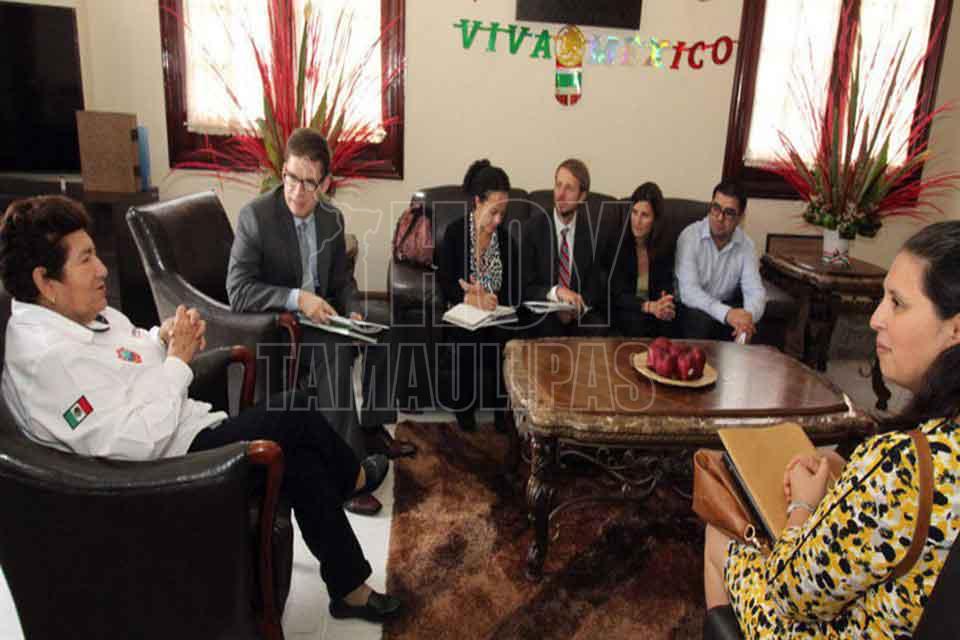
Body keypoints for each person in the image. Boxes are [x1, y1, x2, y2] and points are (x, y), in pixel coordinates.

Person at [0, 195, 402, 623]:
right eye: (86, 260)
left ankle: (350, 588)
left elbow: (126, 354)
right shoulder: (49, 361)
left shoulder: (80, 314)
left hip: (180, 433)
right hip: (159, 478)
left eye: (96, 254)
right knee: (295, 414)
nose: (102, 270)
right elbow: (133, 443)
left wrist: (162, 337)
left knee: (300, 453)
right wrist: (178, 360)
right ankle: (352, 478)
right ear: (45, 281)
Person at [702, 220, 960, 639]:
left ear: (955, 329)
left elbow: (789, 593)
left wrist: (803, 505)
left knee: (721, 531)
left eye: (897, 303)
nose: (875, 319)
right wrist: (851, 480)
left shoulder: (905, 463)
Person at [226, 127, 414, 517]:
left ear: (325, 183)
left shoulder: (331, 218)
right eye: (292, 178)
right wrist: (298, 299)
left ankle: (372, 426)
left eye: (309, 183)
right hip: (282, 326)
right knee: (333, 349)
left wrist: (353, 309)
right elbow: (238, 290)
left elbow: (342, 281)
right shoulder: (256, 217)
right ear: (283, 172)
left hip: (326, 314)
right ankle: (346, 473)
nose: (298, 191)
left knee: (387, 324)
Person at [436, 160, 522, 432]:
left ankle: (502, 414)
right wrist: (469, 298)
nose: (498, 220)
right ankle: (465, 411)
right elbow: (445, 281)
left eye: (503, 213)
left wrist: (496, 300)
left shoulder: (506, 241)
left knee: (505, 336)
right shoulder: (455, 233)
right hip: (464, 313)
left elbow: (515, 289)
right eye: (493, 212)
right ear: (477, 202)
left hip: (495, 315)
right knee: (467, 335)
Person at [522, 158, 610, 336]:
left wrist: (576, 307)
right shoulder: (533, 228)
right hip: (544, 311)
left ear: (582, 196)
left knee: (597, 328)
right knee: (546, 327)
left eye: (569, 188)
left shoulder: (593, 234)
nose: (560, 195)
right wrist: (557, 293)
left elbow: (595, 288)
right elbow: (525, 286)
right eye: (558, 185)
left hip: (577, 313)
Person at [674, 180, 766, 342]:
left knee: (754, 326)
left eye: (729, 213)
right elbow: (689, 292)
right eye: (716, 208)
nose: (719, 217)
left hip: (725, 310)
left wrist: (747, 318)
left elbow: (755, 291)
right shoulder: (690, 236)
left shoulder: (746, 245)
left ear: (740, 218)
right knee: (700, 319)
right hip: (692, 310)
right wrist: (727, 313)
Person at [610, 182, 676, 337]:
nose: (637, 221)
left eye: (645, 215)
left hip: (653, 309)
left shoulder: (665, 245)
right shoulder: (617, 242)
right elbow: (616, 294)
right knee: (637, 322)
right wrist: (648, 306)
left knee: (671, 320)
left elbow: (666, 284)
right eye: (634, 212)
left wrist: (665, 304)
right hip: (627, 309)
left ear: (655, 220)